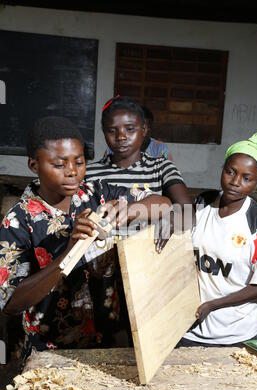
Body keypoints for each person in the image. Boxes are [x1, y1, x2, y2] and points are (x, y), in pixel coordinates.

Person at [0, 116, 171, 360]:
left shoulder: (97, 193)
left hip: (110, 339)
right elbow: (10, 303)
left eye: (79, 162)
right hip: (52, 351)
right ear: (34, 165)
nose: (72, 172)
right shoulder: (18, 220)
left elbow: (163, 204)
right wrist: (69, 253)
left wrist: (131, 210)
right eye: (59, 165)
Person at [85, 96, 192, 343]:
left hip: (147, 267)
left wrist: (170, 220)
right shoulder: (90, 172)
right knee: (104, 338)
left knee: (142, 337)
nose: (121, 136)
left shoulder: (160, 167)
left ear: (144, 131)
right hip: (100, 269)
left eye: (130, 129)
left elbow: (187, 212)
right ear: (104, 133)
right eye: (112, 131)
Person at [178, 132, 257, 347]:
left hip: (235, 334)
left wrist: (215, 305)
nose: (236, 182)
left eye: (247, 178)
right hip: (188, 329)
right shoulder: (202, 203)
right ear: (223, 169)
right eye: (230, 172)